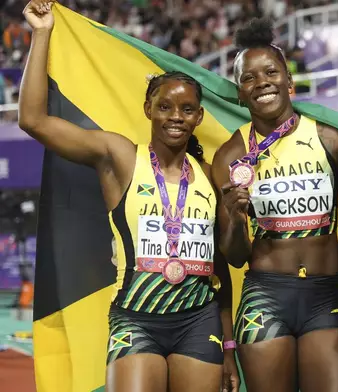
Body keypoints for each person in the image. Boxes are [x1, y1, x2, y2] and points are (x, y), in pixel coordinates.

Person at [18, 2, 239, 392]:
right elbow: (33, 120)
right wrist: (42, 34)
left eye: (187, 109)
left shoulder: (208, 175)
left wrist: (229, 347)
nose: (176, 116)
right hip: (137, 319)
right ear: (147, 110)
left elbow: (222, 267)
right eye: (165, 106)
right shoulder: (121, 158)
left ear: (199, 118)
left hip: (198, 319)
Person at [210, 17, 338, 392]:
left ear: (289, 81)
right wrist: (232, 217)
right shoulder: (229, 157)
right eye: (249, 77)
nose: (261, 82)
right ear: (240, 92)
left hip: (324, 294)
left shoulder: (334, 141)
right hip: (265, 296)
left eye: (271, 72)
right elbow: (233, 256)